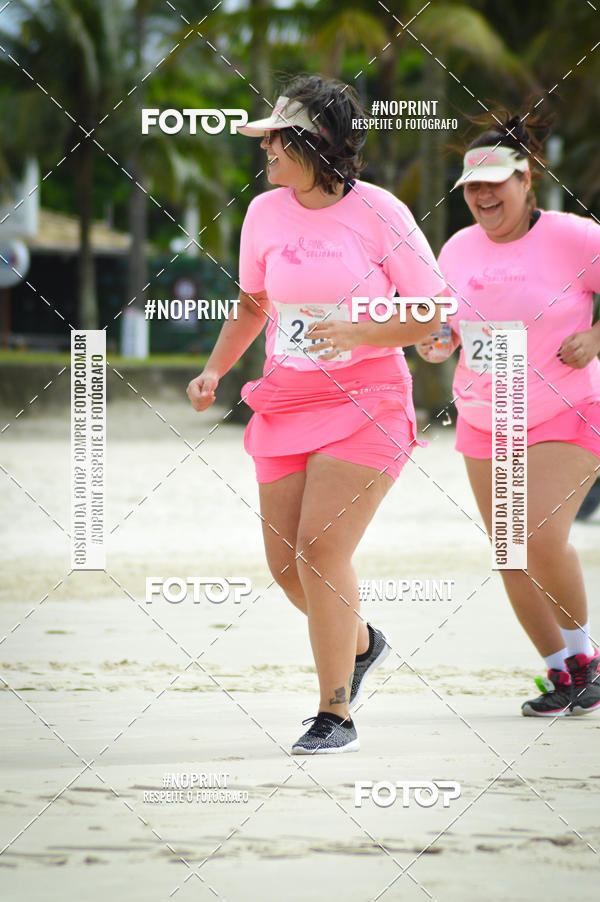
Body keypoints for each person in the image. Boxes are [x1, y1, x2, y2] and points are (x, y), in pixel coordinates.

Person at [186, 75, 445, 753]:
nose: (265, 149)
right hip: (287, 398)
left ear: (315, 142)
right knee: (286, 566)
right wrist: (215, 369)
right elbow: (253, 305)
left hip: (369, 400)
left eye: (276, 138)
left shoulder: (381, 212)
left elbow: (434, 311)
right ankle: (362, 644)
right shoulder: (264, 213)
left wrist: (361, 333)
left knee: (322, 550)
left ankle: (337, 713)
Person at [416, 113, 600, 716]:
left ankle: (586, 660)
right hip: (483, 415)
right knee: (510, 551)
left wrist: (596, 336)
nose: (483, 195)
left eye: (496, 181)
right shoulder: (457, 247)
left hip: (567, 410)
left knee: (541, 536)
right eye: (472, 186)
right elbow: (447, 326)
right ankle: (560, 672)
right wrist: (436, 342)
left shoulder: (575, 236)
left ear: (528, 180)